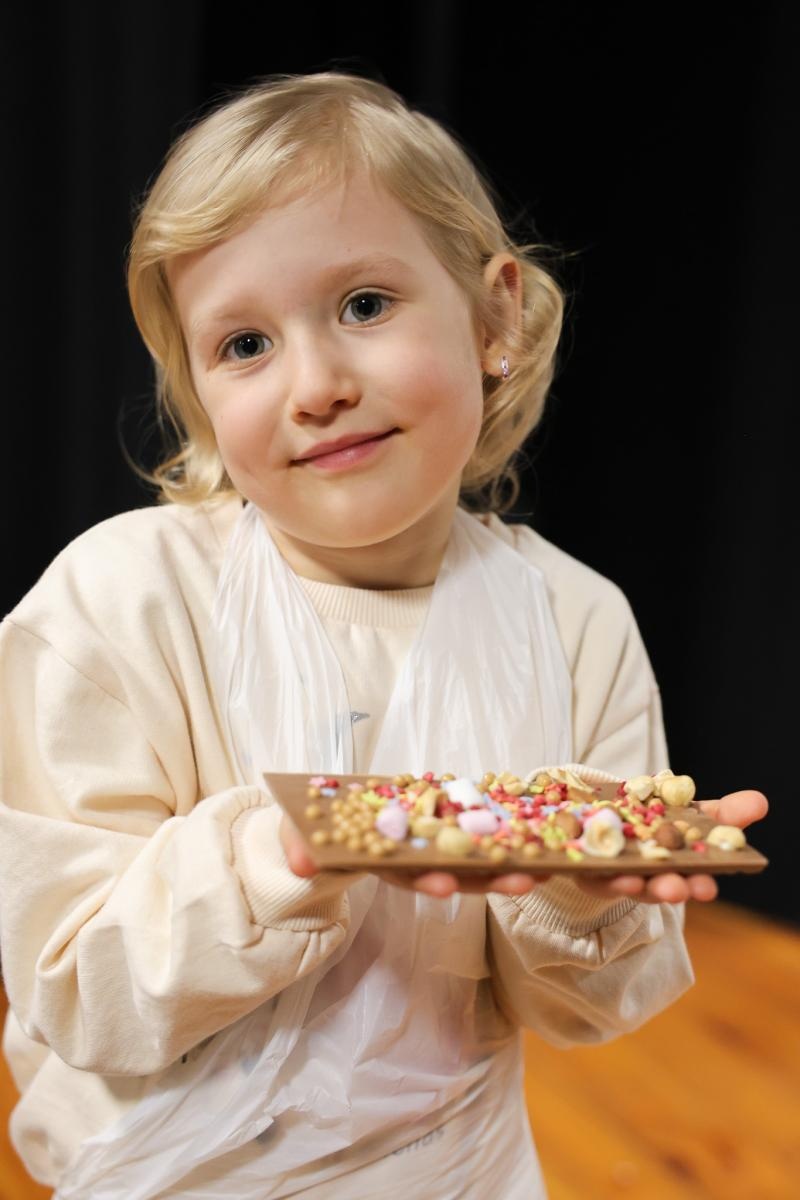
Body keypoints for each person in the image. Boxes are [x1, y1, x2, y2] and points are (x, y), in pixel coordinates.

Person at [0, 72, 767, 1199]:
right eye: (245, 344)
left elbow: (590, 1013)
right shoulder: (120, 606)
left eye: (363, 305)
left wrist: (578, 896)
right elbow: (72, 987)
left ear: (494, 313)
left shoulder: (574, 621)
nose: (313, 385)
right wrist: (276, 861)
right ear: (198, 391)